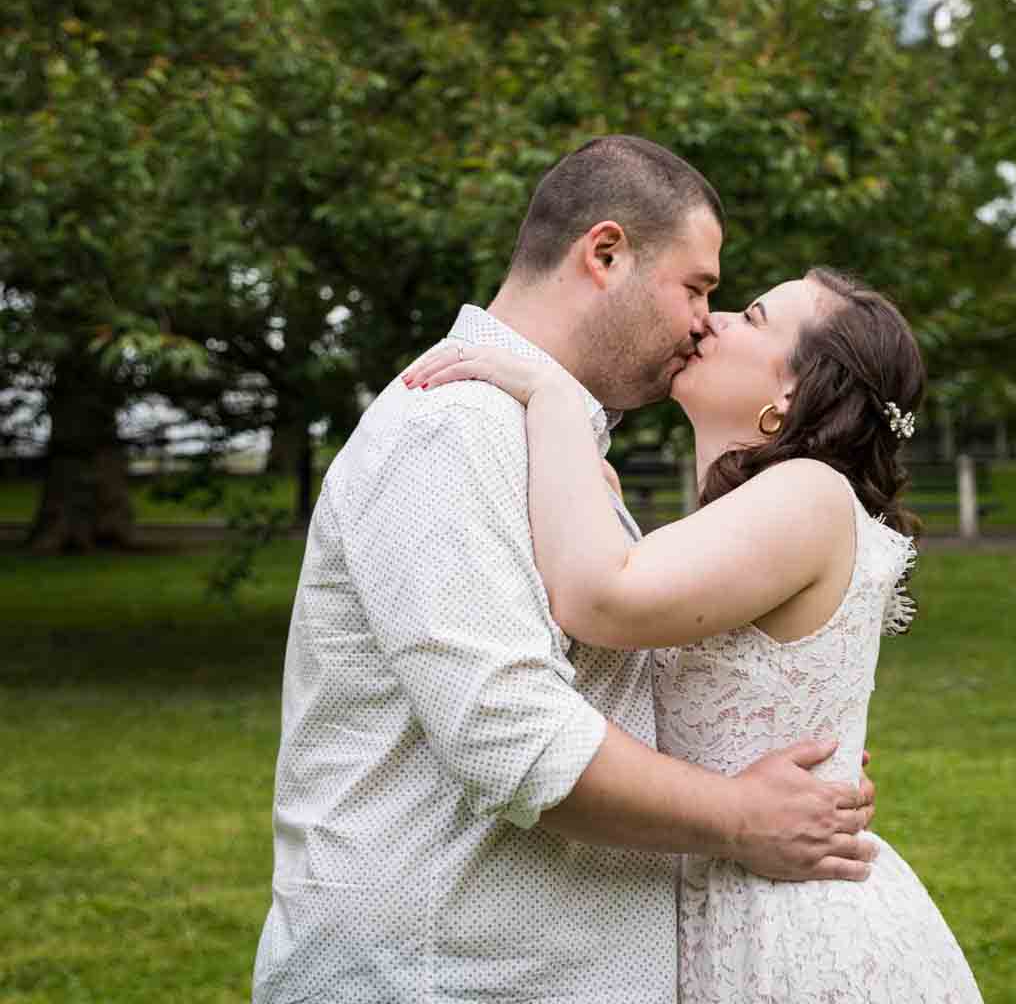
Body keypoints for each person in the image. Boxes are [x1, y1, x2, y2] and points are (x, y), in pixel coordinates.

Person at [252, 136, 877, 1004]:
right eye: (696, 287)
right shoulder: (454, 425)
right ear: (606, 253)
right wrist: (741, 815)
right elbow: (507, 731)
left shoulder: (550, 447)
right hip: (443, 974)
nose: (706, 319)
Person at [406, 265, 986, 1004]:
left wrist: (554, 397)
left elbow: (599, 599)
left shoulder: (807, 492)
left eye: (752, 316)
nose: (712, 321)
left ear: (790, 394)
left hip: (781, 929)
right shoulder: (748, 516)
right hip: (709, 893)